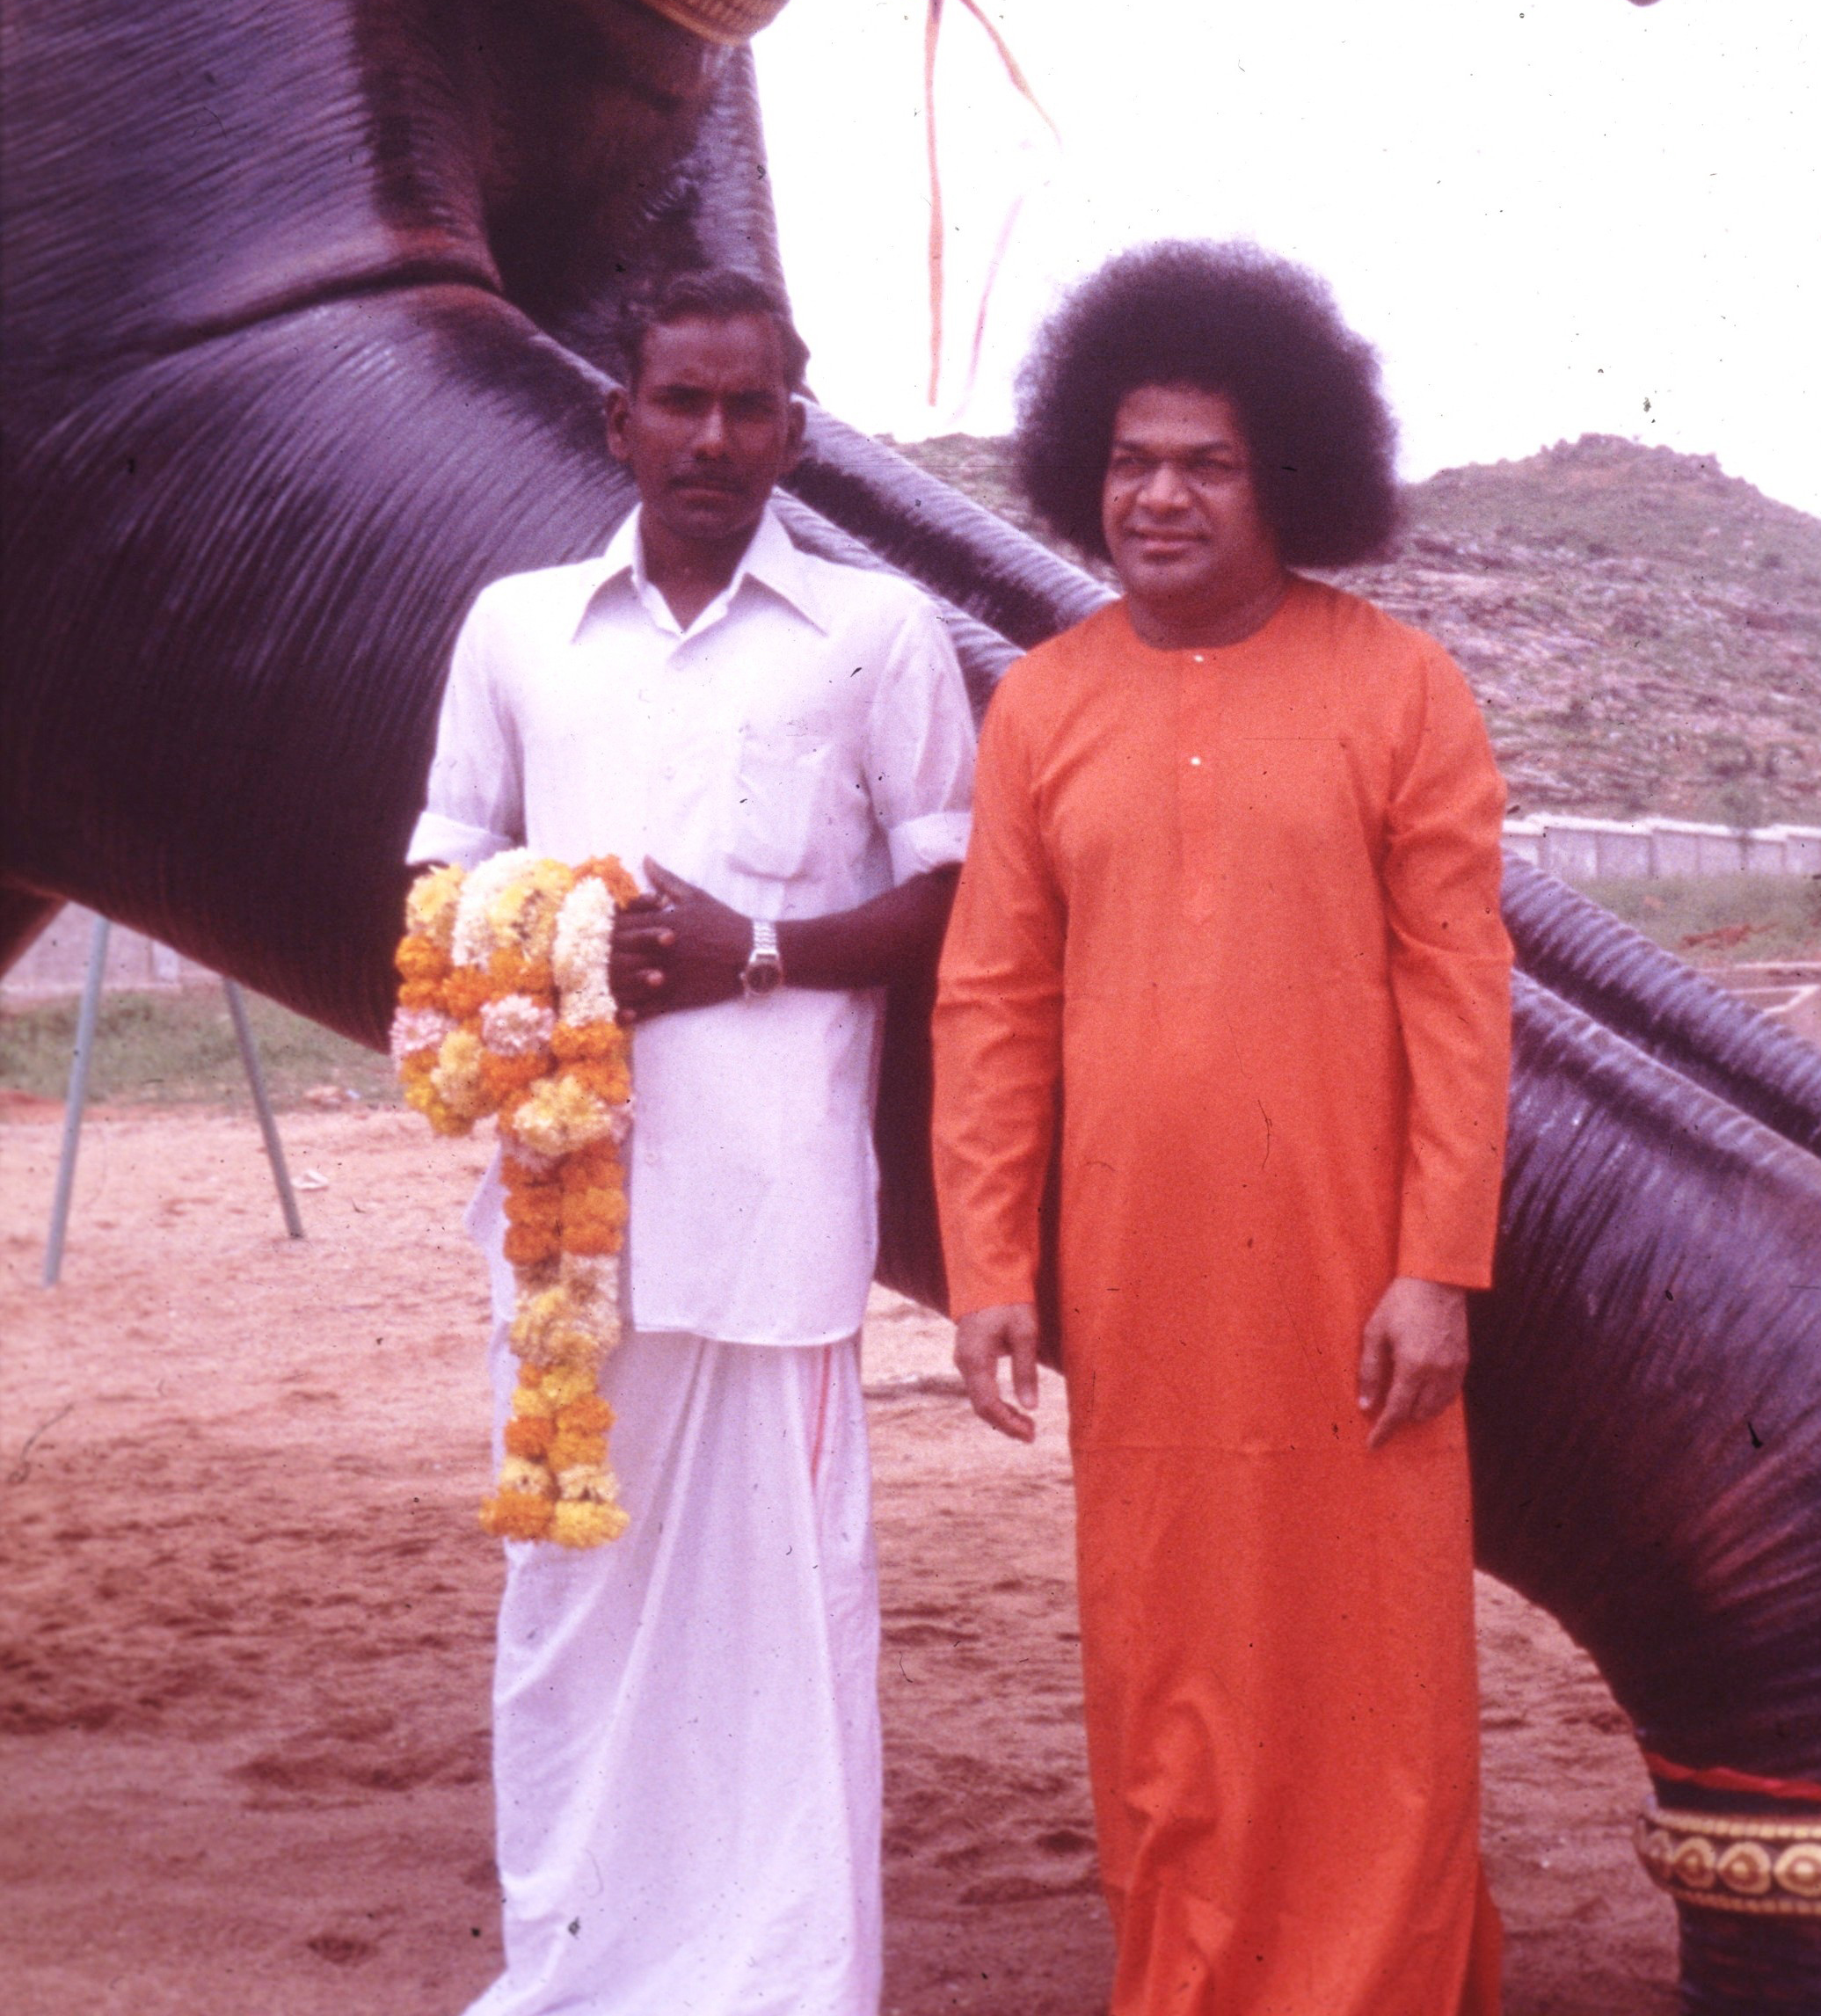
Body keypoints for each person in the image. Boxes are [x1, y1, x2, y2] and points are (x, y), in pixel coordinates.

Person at [931, 241, 1513, 2016]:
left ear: (1288, 480)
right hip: (1141, 1281)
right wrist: (988, 1265)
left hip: (1354, 1283)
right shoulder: (1045, 701)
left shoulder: (1400, 686)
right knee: (1171, 1664)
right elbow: (990, 1001)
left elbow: (1460, 996)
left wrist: (1437, 1265)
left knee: (1371, 1673)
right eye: (1131, 460)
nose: (1159, 497)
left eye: (1207, 463)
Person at [407, 265, 976, 2016]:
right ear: (620, 420)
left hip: (771, 1216)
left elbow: (956, 896)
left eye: (748, 408)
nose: (713, 437)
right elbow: (440, 877)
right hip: (566, 1214)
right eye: (681, 402)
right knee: (566, 1604)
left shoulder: (875, 633)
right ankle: (577, 1976)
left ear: (795, 433)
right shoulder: (515, 627)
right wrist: (566, 942)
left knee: (783, 1615)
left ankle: (781, 1983)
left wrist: (759, 951)